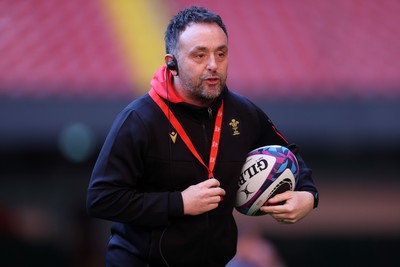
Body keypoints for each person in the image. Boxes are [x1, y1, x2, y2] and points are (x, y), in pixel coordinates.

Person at [86, 6, 318, 267]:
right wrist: (179, 203)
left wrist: (308, 196)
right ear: (171, 63)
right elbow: (101, 199)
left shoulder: (243, 112)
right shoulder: (139, 119)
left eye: (221, 54)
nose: (213, 65)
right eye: (200, 55)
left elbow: (290, 154)